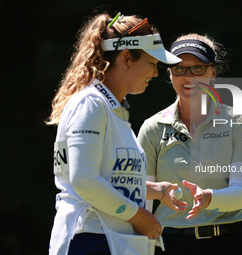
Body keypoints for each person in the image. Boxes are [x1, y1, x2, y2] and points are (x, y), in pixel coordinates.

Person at [46, 12, 187, 255]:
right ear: (127, 58)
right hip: (89, 239)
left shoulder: (113, 109)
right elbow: (85, 182)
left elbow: (109, 180)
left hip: (108, 239)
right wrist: (139, 216)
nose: (155, 74)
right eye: (152, 64)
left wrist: (156, 191)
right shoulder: (90, 104)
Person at [138, 33, 242, 255]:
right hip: (170, 244)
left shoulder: (239, 123)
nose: (188, 76)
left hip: (228, 242)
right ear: (170, 73)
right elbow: (142, 199)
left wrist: (209, 198)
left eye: (198, 68)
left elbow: (241, 192)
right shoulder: (152, 128)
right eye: (179, 68)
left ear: (213, 72)